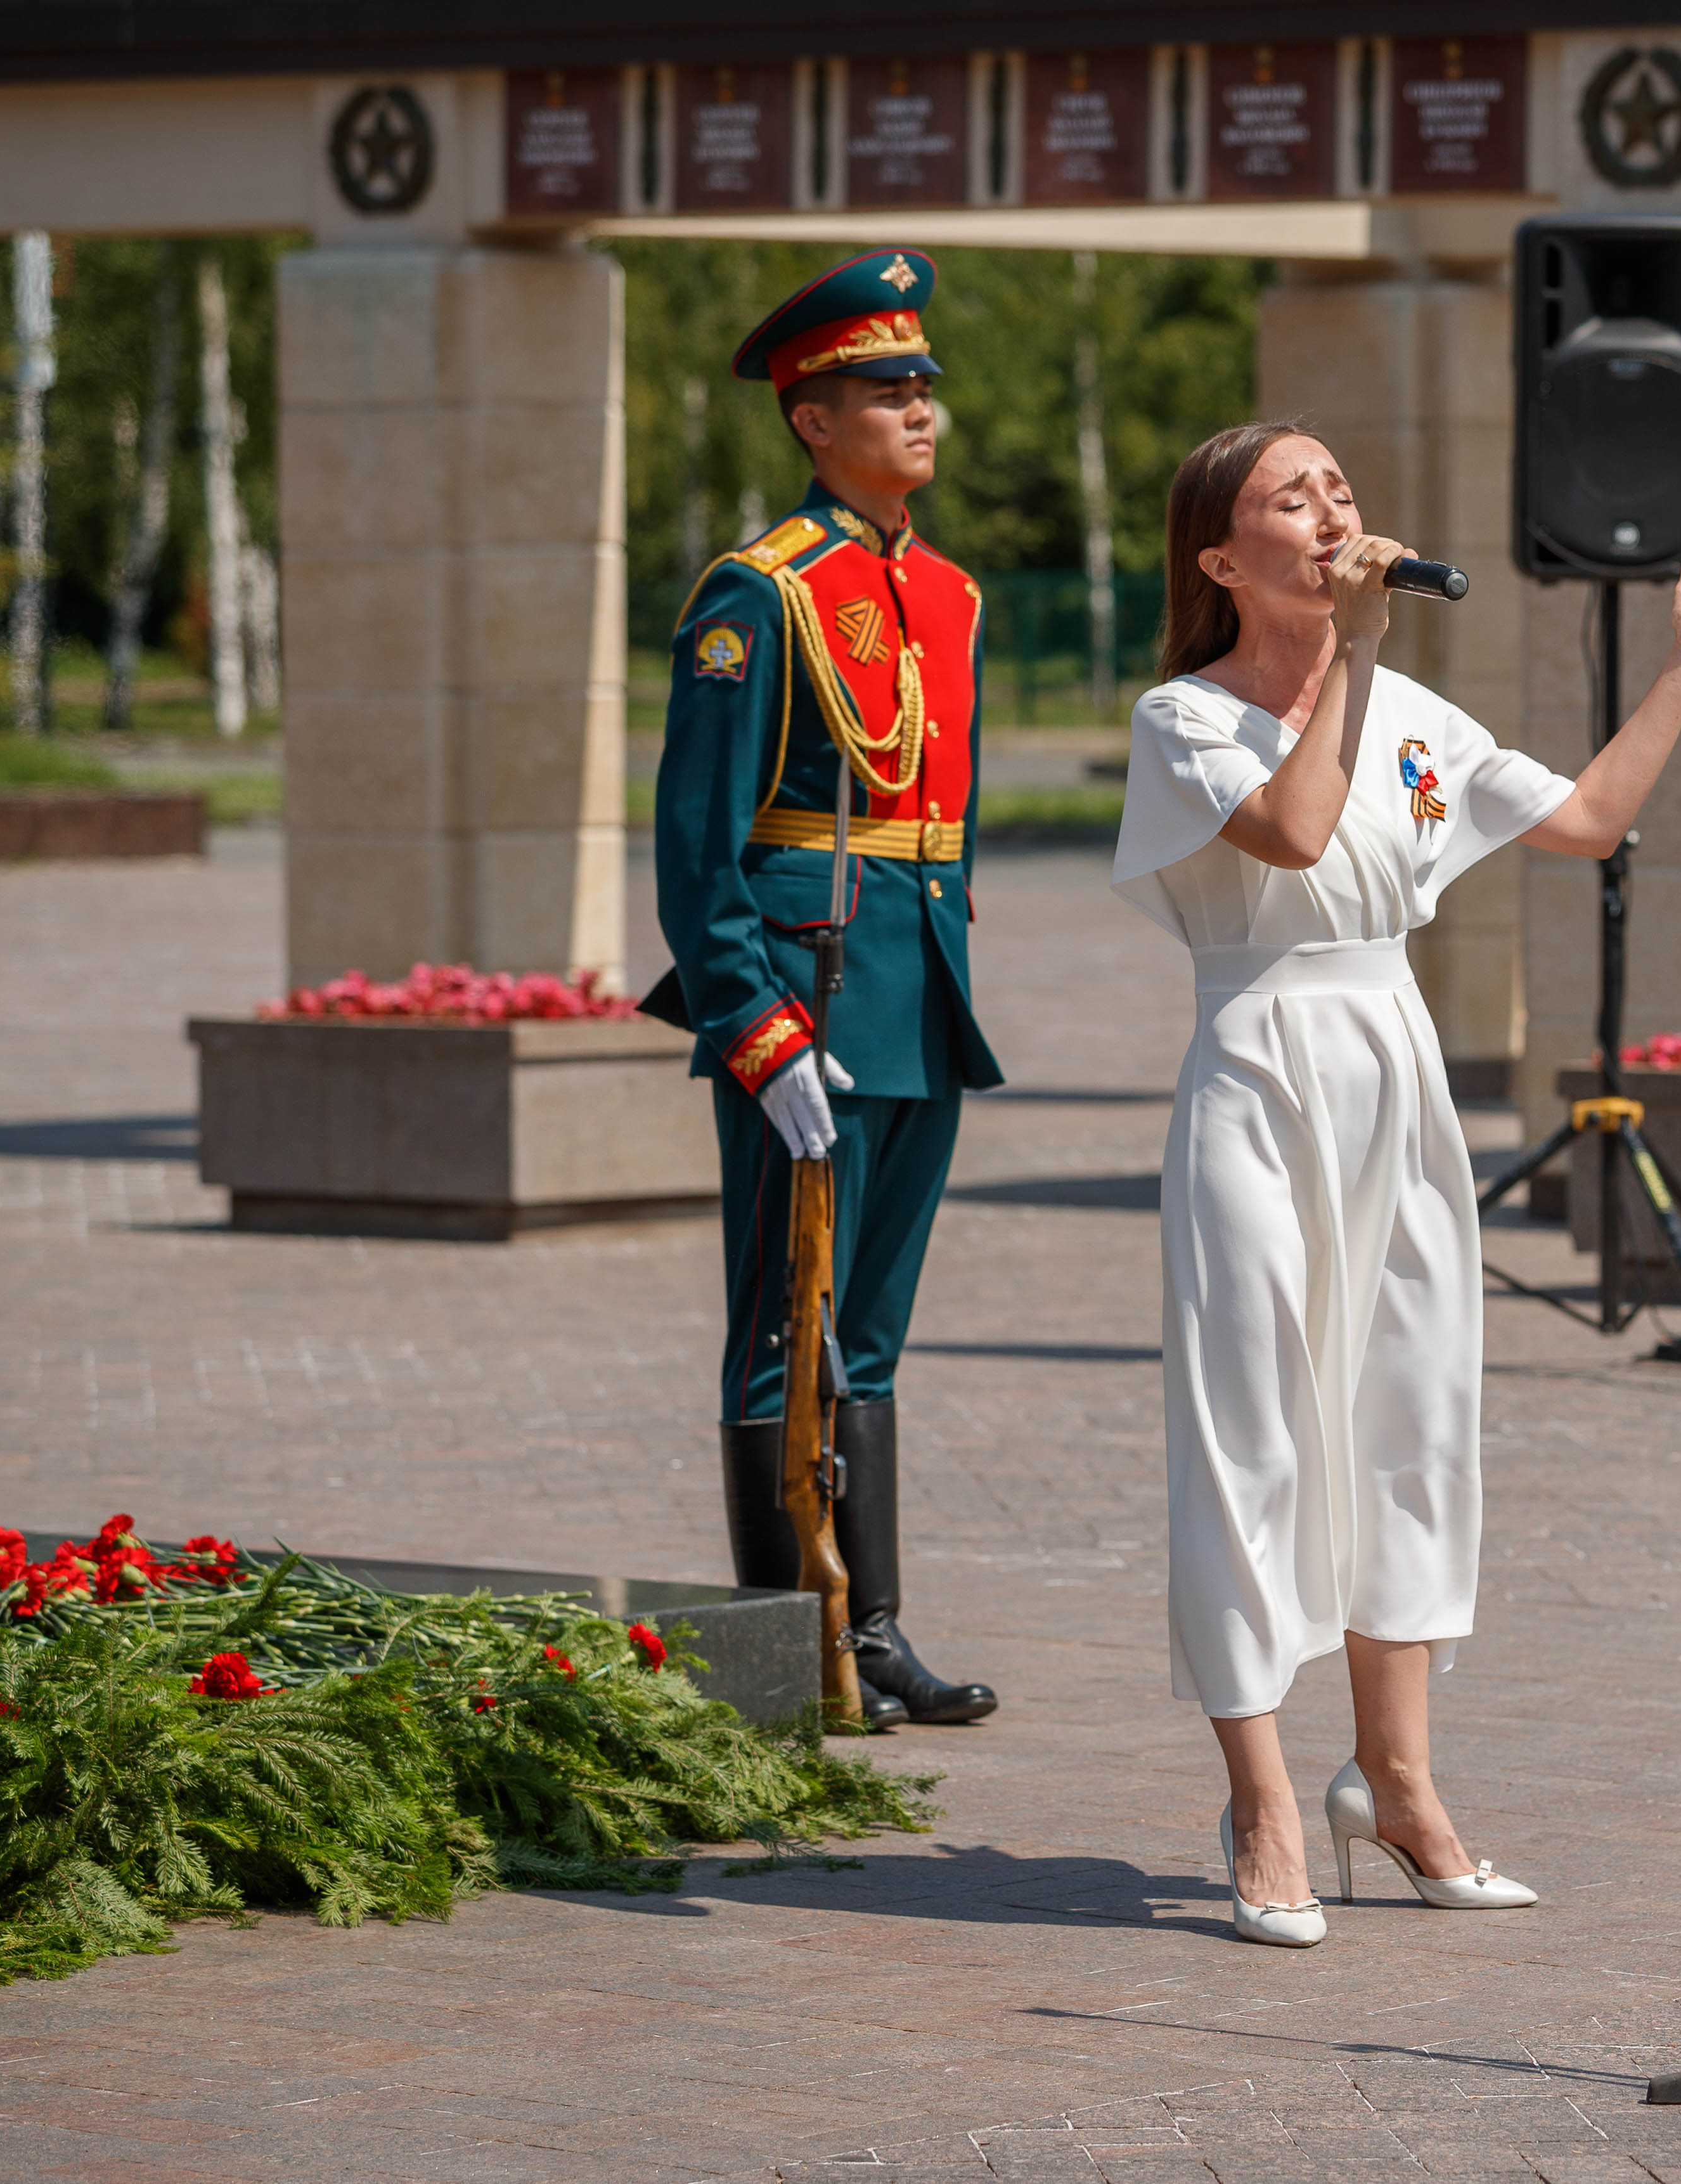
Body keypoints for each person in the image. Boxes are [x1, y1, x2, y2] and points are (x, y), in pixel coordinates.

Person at [1112, 422, 1681, 1942]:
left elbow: (1589, 823)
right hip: (1259, 1060)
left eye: (1338, 484)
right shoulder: (1181, 715)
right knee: (1251, 1426)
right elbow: (1288, 831)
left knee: (1408, 1415)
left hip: (1390, 1067)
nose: (1335, 507)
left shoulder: (1403, 702)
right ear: (1222, 557)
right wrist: (1348, 652)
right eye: (1295, 494)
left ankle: (1397, 1786)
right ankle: (1266, 1803)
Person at [642, 249, 1003, 1732]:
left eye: (923, 384)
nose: (918, 409)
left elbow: (948, 820)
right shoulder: (760, 593)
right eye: (884, 388)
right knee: (782, 1320)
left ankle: (880, 1626)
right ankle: (783, 1644)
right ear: (811, 417)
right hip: (806, 991)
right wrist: (753, 1023)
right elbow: (695, 837)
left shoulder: (950, 591)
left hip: (913, 986)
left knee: (871, 1327)